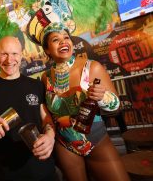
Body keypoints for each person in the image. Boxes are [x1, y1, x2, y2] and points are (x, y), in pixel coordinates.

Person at [41, 29, 130, 181]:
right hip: (65, 146)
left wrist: (103, 97)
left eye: (66, 38)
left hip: (97, 142)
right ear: (47, 50)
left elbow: (116, 107)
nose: (63, 41)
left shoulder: (92, 67)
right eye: (56, 39)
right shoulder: (46, 77)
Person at [0, 36, 57, 181]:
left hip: (43, 168)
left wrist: (50, 137)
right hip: (8, 173)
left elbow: (46, 119)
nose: (9, 60)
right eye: (4, 54)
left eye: (14, 54)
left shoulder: (36, 85)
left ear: (21, 55)